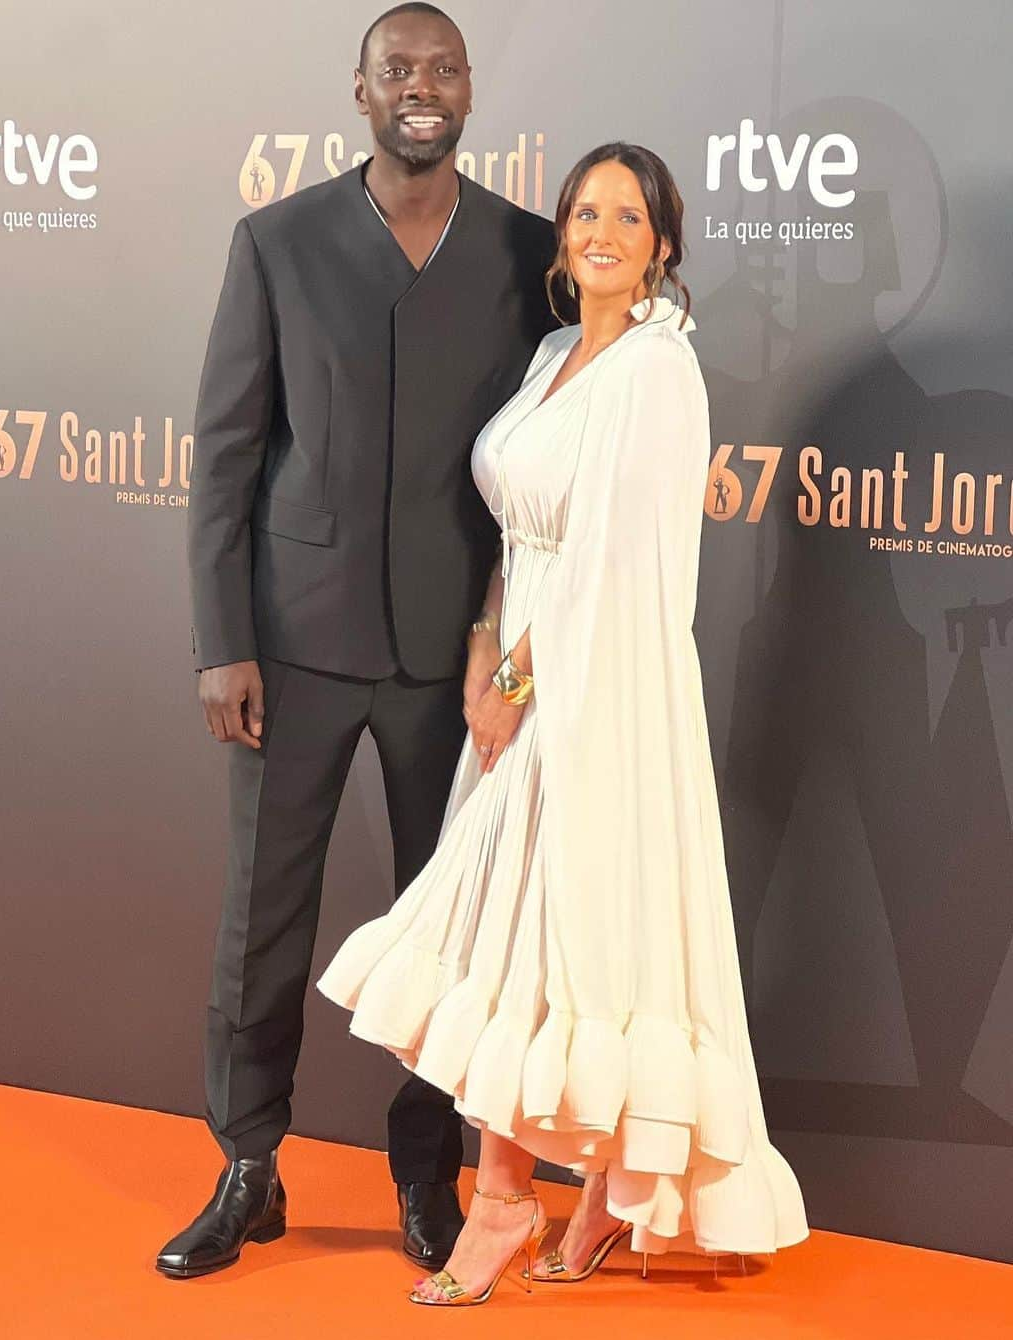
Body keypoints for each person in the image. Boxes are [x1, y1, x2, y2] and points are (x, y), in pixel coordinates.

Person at [318, 142, 810, 1307]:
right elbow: (520, 541)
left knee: (550, 935)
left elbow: (612, 563)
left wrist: (515, 685)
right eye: (583, 210)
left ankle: (500, 1201)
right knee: (530, 942)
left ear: (663, 245)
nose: (599, 230)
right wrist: (486, 650)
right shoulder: (550, 356)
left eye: (626, 216)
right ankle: (592, 1188)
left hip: (596, 693)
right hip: (524, 673)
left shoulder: (656, 371)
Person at [156, 2, 555, 1280]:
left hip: (458, 660)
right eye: (399, 70)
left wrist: (517, 648)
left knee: (447, 926)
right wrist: (224, 640)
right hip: (297, 649)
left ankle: (425, 1171)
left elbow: (556, 462)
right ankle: (248, 1164)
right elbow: (225, 455)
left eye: (442, 70)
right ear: (361, 89)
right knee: (262, 920)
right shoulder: (275, 241)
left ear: (472, 91)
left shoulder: (530, 251)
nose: (420, 88)